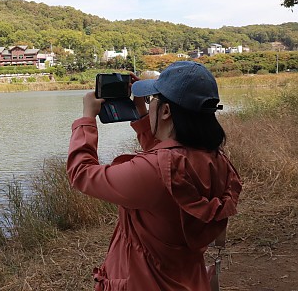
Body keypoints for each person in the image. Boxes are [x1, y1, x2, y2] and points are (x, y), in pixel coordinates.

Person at [67, 61, 242, 291]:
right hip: (188, 281)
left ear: (166, 111)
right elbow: (168, 161)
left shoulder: (154, 172)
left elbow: (81, 173)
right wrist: (143, 113)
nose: (149, 106)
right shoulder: (217, 162)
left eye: (152, 101)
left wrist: (87, 119)